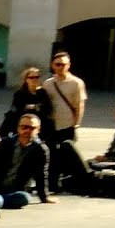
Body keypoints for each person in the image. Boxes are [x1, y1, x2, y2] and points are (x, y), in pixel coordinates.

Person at [0, 114, 56, 209]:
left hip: (15, 191)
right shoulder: (6, 143)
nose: (27, 130)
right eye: (24, 127)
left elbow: (41, 174)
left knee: (24, 198)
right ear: (18, 128)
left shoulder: (40, 149)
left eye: (31, 128)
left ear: (38, 130)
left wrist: (45, 197)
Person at [42, 51, 87, 191]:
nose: (61, 67)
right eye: (58, 64)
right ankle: (52, 183)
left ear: (69, 65)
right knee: (51, 154)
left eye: (64, 64)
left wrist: (76, 124)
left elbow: (80, 104)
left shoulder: (76, 82)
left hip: (67, 124)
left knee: (66, 154)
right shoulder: (48, 83)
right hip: (51, 124)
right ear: (52, 65)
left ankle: (70, 181)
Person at [0, 67, 54, 141]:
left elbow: (48, 109)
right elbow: (16, 110)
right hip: (23, 126)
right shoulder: (20, 94)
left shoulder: (43, 93)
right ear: (26, 79)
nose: (34, 79)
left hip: (40, 127)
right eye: (31, 77)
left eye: (37, 77)